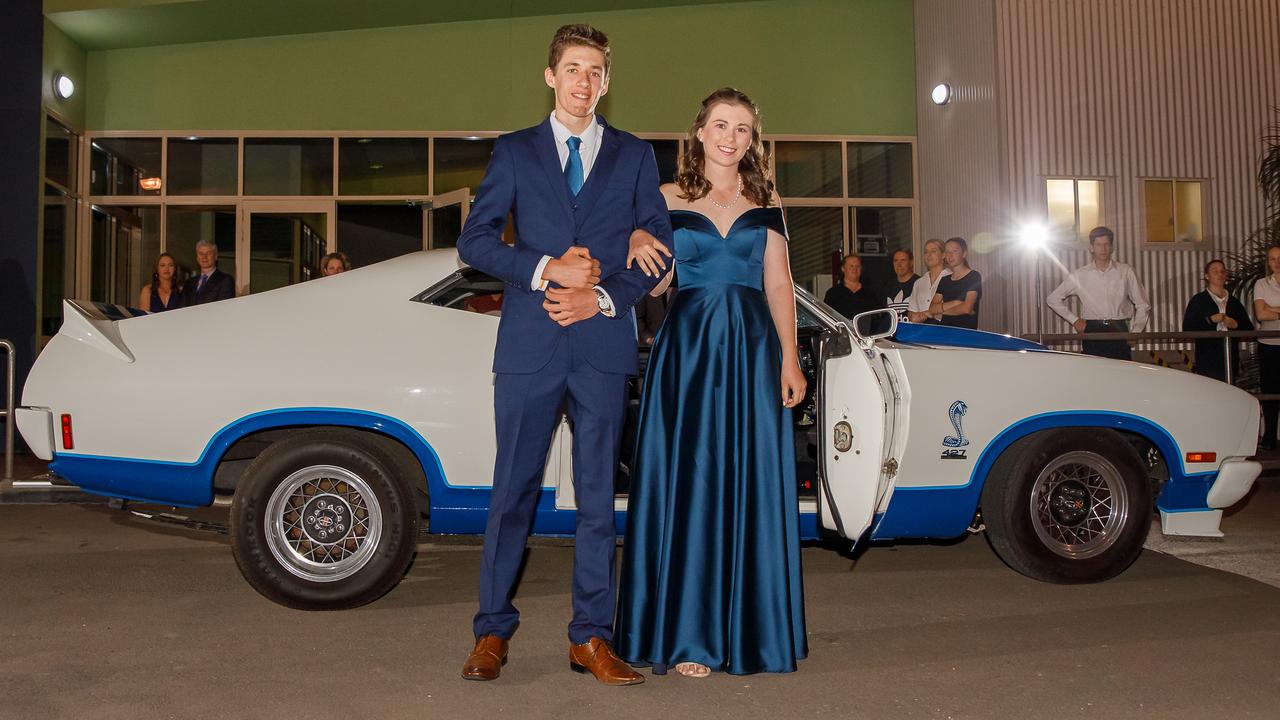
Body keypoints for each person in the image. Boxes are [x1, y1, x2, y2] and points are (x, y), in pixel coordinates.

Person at [454, 24, 669, 686]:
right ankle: (492, 632)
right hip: (530, 347)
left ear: (607, 81)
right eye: (573, 68)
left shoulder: (634, 155)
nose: (584, 81)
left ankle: (591, 638)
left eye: (596, 71)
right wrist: (549, 269)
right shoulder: (515, 152)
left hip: (601, 348)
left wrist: (602, 296)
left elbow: (660, 247)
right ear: (552, 76)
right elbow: (476, 243)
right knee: (511, 493)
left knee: (599, 499)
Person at [618, 87, 808, 678]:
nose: (731, 137)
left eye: (743, 128)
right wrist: (636, 242)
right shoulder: (663, 196)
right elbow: (655, 288)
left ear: (752, 139)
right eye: (721, 125)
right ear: (699, 131)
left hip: (754, 352)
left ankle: (750, 631)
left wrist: (790, 358)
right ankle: (691, 635)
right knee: (692, 479)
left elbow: (778, 284)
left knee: (749, 480)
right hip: (691, 354)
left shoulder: (766, 197)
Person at [1046, 226, 1150, 360]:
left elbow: (1143, 304)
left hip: (1119, 328)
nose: (1103, 249)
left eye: (1107, 244)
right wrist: (1075, 320)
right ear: (1091, 248)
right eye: (1099, 244)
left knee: (1122, 374)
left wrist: (1136, 332)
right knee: (1093, 374)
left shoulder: (1126, 271)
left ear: (1112, 247)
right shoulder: (1080, 275)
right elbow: (1053, 299)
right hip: (1092, 330)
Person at [1183, 259, 1252, 383]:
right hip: (1207, 359)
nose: (1220, 274)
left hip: (1230, 358)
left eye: (1222, 271)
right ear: (1206, 276)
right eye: (1215, 271)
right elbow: (1187, 328)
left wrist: (1236, 325)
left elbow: (1249, 329)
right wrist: (1210, 320)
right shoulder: (1198, 301)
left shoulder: (1234, 302)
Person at [1253, 246, 1280, 450]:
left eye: (1279, 258)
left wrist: (1272, 309)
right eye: (1272, 259)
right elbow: (1260, 314)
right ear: (1268, 262)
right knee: (1270, 392)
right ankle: (1270, 436)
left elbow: (1266, 310)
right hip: (1268, 346)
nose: (1276, 263)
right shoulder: (1261, 284)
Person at [930, 237, 981, 329]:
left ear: (964, 253)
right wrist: (955, 303)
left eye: (955, 251)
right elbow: (932, 308)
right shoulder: (944, 280)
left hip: (965, 334)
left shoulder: (973, 276)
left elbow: (967, 308)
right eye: (947, 251)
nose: (950, 255)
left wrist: (941, 310)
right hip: (946, 331)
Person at [823, 255, 883, 320]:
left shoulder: (871, 293)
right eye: (851, 266)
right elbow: (827, 317)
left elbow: (877, 318)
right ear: (843, 269)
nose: (854, 269)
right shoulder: (833, 293)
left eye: (858, 266)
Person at [907, 238, 948, 324]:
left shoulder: (951, 277)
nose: (928, 255)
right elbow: (911, 311)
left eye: (933, 251)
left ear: (943, 255)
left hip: (945, 330)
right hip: (922, 332)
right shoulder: (919, 282)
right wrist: (914, 317)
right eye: (926, 252)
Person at [183, 240, 235, 305]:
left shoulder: (225, 280)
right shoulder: (189, 283)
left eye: (208, 253)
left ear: (215, 256)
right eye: (201, 253)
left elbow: (224, 308)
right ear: (197, 257)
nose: (204, 257)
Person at [885, 248, 919, 321]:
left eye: (903, 260)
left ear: (911, 262)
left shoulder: (919, 283)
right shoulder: (888, 285)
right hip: (893, 330)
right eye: (896, 261)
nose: (899, 264)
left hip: (912, 330)